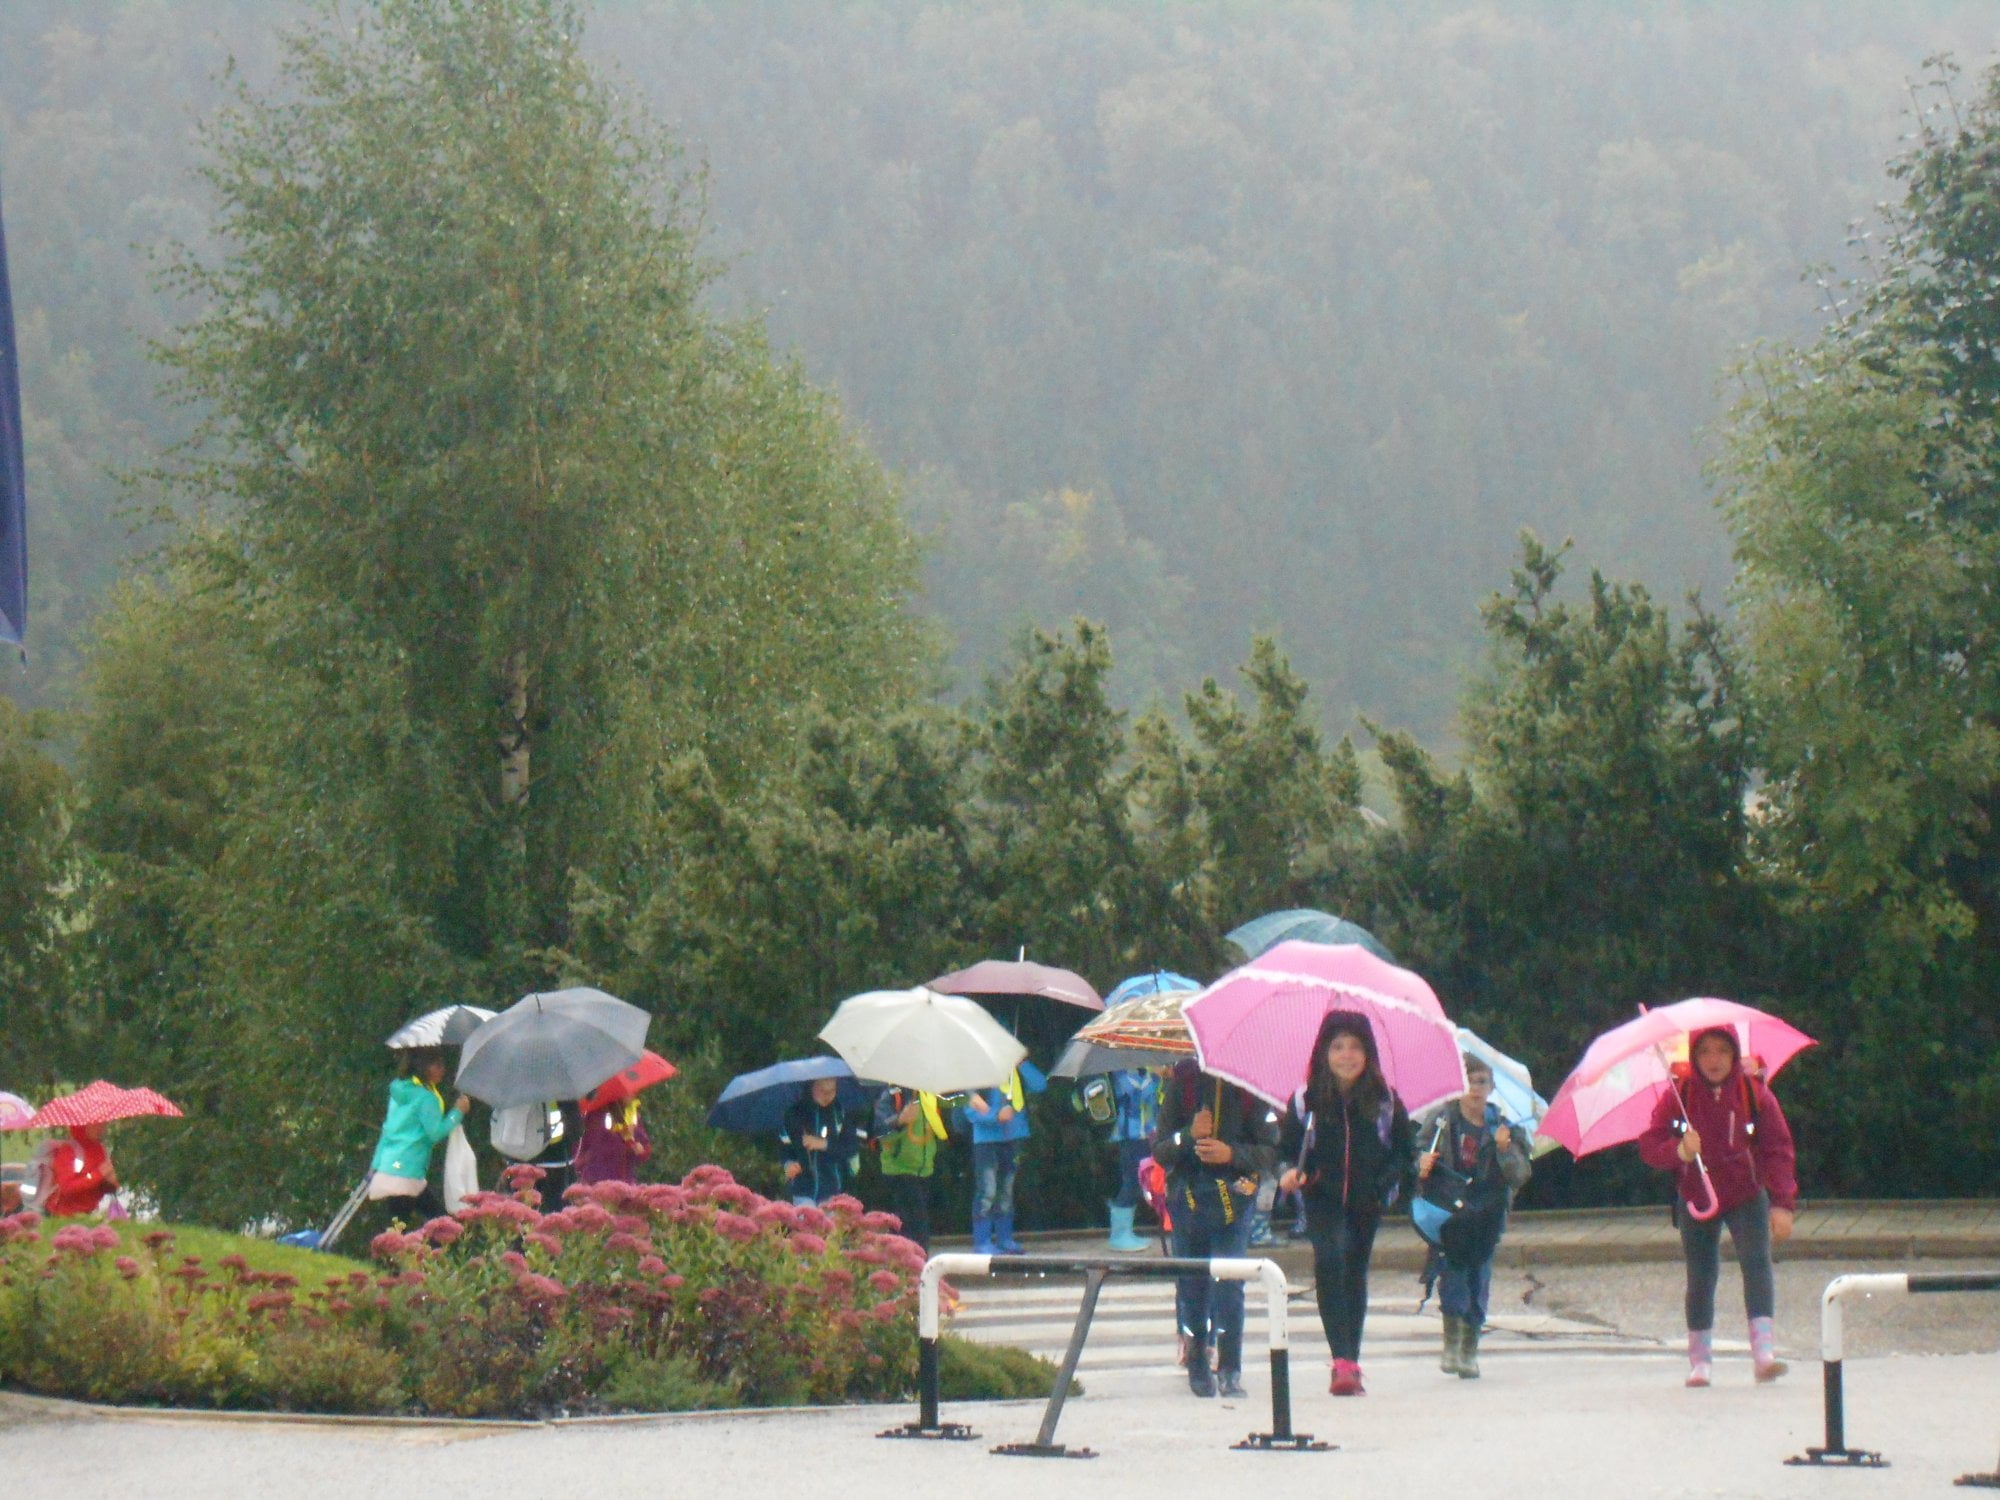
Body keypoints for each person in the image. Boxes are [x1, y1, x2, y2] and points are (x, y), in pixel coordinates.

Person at [1639, 1026, 1798, 1387]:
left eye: (1723, 1051)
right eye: (1705, 1052)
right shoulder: (1679, 1095)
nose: (1714, 1060)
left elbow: (1778, 1149)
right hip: (1697, 1195)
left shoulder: (1754, 1093)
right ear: (1694, 1057)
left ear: (1735, 1054)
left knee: (1757, 1265)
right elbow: (1650, 1145)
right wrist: (1679, 1151)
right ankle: (1700, 1361)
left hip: (1746, 1194)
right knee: (1700, 1276)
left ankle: (1763, 1354)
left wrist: (1782, 1203)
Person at [1278, 1011, 1412, 1397]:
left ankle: (1351, 1361)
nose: (1346, 1055)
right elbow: (1285, 1151)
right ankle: (1341, 1360)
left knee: (1354, 1270)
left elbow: (1404, 1153)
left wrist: (1384, 1183)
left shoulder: (1386, 1101)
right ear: (1324, 1052)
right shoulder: (1305, 1100)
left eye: (1355, 1047)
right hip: (1321, 1197)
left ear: (1368, 1053)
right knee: (1329, 1260)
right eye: (1337, 1047)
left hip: (1367, 1201)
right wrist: (1290, 1172)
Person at [1151, 1059, 1280, 1398]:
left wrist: (1231, 1153)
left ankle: (1230, 1368)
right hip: (1187, 1201)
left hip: (1234, 1202)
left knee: (1229, 1284)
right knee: (1192, 1283)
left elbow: (1270, 1152)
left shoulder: (1250, 1089)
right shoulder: (1182, 1084)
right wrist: (1188, 1136)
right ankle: (1197, 1363)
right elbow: (1161, 1150)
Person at [1415, 1054, 1532, 1379]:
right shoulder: (1441, 1120)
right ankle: (1452, 1343)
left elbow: (1520, 1175)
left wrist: (1505, 1150)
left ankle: (1469, 1348)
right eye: (1468, 1082)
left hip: (1486, 1216)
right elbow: (1415, 1156)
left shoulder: (1503, 1127)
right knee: (1451, 1275)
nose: (1475, 1089)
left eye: (1482, 1082)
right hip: (1449, 1212)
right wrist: (1420, 1164)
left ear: (1491, 1087)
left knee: (1478, 1278)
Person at [368, 1047, 469, 1223]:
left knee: (430, 1222)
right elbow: (435, 1133)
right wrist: (457, 1113)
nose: (442, 1070)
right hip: (408, 1170)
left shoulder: (399, 1092)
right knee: (415, 1227)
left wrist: (375, 1165)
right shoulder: (426, 1098)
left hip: (392, 1165)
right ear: (424, 1067)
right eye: (437, 1065)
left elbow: (388, 1131)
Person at [963, 1062, 1047, 1254]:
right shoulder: (979, 1071)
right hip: (986, 1140)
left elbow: (1040, 1084)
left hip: (1013, 1137)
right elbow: (969, 1110)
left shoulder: (1016, 1070)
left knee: (1006, 1191)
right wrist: (995, 1117)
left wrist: (1022, 1063)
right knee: (987, 1191)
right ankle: (982, 1241)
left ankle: (1005, 1238)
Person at [872, 1085, 946, 1250]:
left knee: (915, 1225)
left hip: (925, 1169)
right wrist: (899, 1121)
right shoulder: (892, 1095)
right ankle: (915, 1262)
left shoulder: (929, 1095)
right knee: (912, 1226)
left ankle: (914, 1261)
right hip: (899, 1170)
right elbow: (878, 1131)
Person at [780, 1076, 866, 1206]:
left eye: (832, 1090)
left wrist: (824, 1144)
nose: (827, 1095)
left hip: (834, 1190)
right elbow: (785, 1147)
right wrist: (788, 1164)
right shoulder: (793, 1114)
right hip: (803, 1190)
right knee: (807, 1218)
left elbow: (851, 1148)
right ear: (812, 1086)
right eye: (822, 1090)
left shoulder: (840, 1113)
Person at [1106, 1067, 1160, 1251]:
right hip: (1130, 1136)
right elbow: (1135, 1093)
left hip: (1149, 1135)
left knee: (1143, 1181)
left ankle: (1126, 1231)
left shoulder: (1148, 1073)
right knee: (1132, 1182)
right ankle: (1119, 1235)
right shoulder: (1120, 1072)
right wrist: (1154, 1076)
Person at [36, 1122, 118, 1217]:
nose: (102, 1128)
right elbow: (67, 1187)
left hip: (91, 1212)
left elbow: (100, 1187)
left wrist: (111, 1182)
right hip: (65, 1215)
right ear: (82, 1126)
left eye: (102, 1124)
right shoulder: (68, 1151)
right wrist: (99, 1174)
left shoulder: (100, 1149)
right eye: (95, 1125)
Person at [572, 1097, 652, 1187]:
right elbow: (577, 1150)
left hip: (624, 1182)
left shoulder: (631, 1116)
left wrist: (638, 1149)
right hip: (594, 1181)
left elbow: (644, 1148)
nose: (631, 1096)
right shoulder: (592, 1117)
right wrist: (587, 1159)